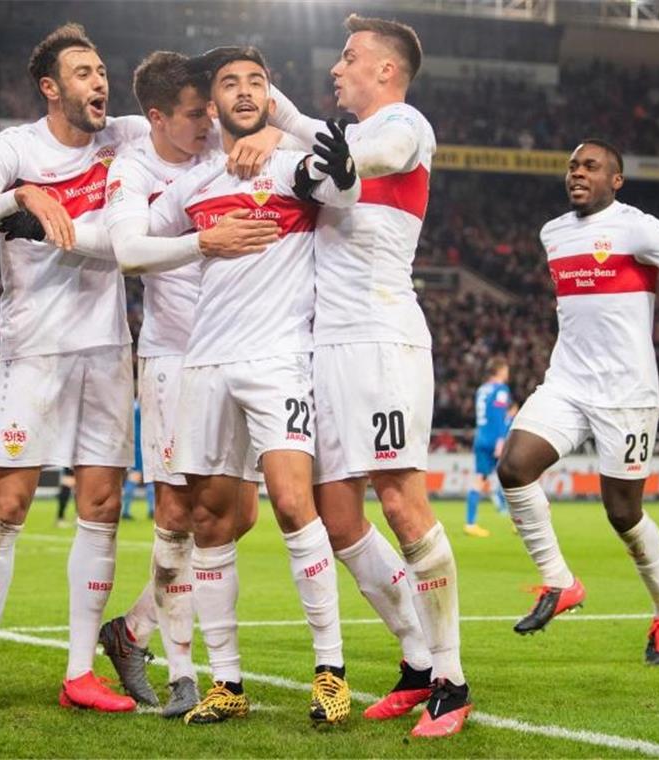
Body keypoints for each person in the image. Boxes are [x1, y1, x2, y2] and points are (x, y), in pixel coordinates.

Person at [127, 46, 360, 726]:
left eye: (257, 80)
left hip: (278, 360)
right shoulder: (192, 186)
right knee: (208, 520)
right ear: (214, 102)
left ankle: (330, 671)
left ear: (270, 94)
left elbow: (340, 183)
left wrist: (304, 139)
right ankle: (225, 682)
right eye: (230, 83)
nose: (245, 89)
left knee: (292, 503)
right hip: (205, 363)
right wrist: (198, 243)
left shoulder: (290, 166)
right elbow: (133, 244)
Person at [0, 22, 152, 716]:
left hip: (107, 352)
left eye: (102, 71)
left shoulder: (122, 137)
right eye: (84, 73)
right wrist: (19, 196)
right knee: (9, 505)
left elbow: (188, 124)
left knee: (102, 509)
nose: (100, 82)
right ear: (51, 87)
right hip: (34, 352)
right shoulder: (14, 149)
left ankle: (80, 673)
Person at [268, 15, 472, 737]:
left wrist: (342, 163)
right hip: (329, 350)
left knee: (402, 503)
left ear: (385, 70)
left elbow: (382, 152)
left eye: (350, 58)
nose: (337, 68)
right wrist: (278, 119)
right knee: (338, 515)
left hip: (384, 341)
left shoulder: (404, 123)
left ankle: (452, 675)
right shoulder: (336, 141)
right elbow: (311, 146)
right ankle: (416, 659)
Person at [496, 138, 659, 665]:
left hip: (627, 394)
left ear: (615, 180)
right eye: (572, 165)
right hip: (567, 383)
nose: (578, 173)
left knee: (622, 512)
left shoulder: (638, 227)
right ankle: (560, 581)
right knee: (514, 466)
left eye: (591, 166)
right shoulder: (552, 233)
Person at [95, 50, 270, 719]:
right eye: (196, 114)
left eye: (210, 111)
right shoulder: (136, 169)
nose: (209, 123)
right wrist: (207, 241)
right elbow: (128, 252)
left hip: (238, 353)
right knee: (178, 515)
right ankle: (182, 677)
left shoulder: (223, 149)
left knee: (238, 515)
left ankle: (132, 629)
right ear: (156, 117)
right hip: (172, 359)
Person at [464, 357, 511, 537]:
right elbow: (499, 416)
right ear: (499, 371)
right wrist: (501, 440)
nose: (507, 373)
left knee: (480, 479)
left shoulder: (481, 389)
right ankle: (519, 521)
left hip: (481, 438)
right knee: (514, 478)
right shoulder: (501, 390)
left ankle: (470, 523)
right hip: (494, 439)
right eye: (505, 369)